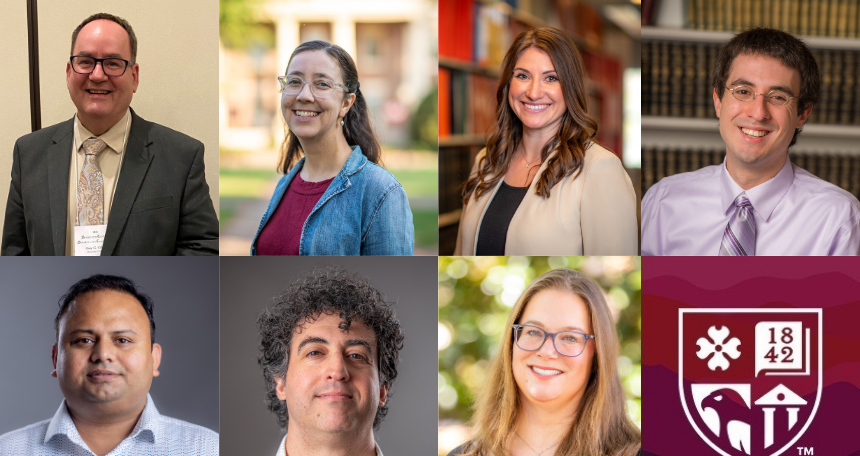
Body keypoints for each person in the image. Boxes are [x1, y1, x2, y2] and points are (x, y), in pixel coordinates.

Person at [220, 267, 437, 456]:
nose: (338, 370)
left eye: (356, 355)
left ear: (383, 389)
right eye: (314, 352)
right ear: (281, 382)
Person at [1, 13, 219, 256]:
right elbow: (14, 256)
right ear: (68, 72)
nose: (97, 75)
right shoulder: (29, 153)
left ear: (134, 77)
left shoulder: (182, 157)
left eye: (113, 63)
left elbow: (202, 252)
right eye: (85, 61)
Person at [0, 275, 218, 456]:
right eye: (84, 340)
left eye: (122, 340)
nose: (103, 354)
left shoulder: (212, 455)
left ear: (154, 359)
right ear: (56, 358)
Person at [641, 28, 860, 256]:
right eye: (743, 91)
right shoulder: (663, 202)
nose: (758, 113)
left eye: (778, 97)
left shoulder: (839, 219)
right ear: (718, 101)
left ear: (802, 114)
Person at [439, 268, 641, 456]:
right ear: (512, 343)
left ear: (597, 355)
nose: (547, 350)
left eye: (569, 338)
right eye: (533, 332)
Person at [454, 28, 637, 256]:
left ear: (570, 88)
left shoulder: (600, 169)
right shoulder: (487, 160)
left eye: (551, 78)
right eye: (522, 76)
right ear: (508, 83)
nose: (533, 92)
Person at [250, 41, 414, 255]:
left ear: (346, 103)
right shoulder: (286, 183)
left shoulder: (381, 192)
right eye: (294, 81)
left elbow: (392, 287)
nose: (304, 95)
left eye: (322, 84)